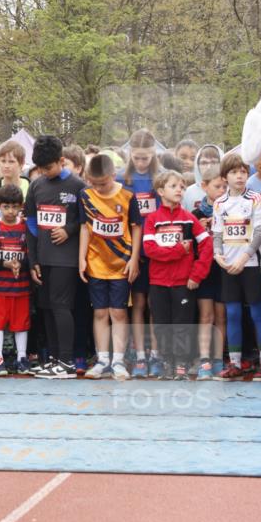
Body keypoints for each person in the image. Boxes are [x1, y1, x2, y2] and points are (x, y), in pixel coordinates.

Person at [25, 135, 85, 379]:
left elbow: (86, 221)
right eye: (40, 168)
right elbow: (30, 222)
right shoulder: (37, 186)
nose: (44, 172)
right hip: (44, 257)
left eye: (48, 167)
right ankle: (53, 359)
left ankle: (68, 361)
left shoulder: (78, 186)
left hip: (66, 259)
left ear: (61, 161)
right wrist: (33, 260)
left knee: (61, 307)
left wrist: (69, 229)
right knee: (46, 308)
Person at [142, 170, 213, 379]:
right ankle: (167, 361)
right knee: (162, 325)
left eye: (182, 187)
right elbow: (150, 250)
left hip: (184, 282)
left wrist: (196, 275)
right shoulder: (152, 219)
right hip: (158, 282)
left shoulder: (189, 219)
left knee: (182, 325)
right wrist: (179, 251)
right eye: (174, 186)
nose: (180, 190)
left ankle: (182, 363)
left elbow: (207, 244)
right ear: (161, 191)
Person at [78, 153, 142, 380]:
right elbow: (85, 227)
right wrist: (81, 258)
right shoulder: (85, 196)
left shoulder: (127, 196)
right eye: (94, 183)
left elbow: (136, 227)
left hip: (121, 263)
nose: (98, 188)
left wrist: (134, 258)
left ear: (113, 175)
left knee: (118, 312)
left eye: (103, 183)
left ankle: (119, 361)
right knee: (100, 311)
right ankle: (102, 358)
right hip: (96, 262)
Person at [212, 152, 261, 381]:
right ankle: (235, 363)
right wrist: (218, 254)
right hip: (228, 266)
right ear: (225, 177)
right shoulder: (220, 202)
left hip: (249, 264)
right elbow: (217, 233)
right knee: (233, 313)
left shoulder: (255, 198)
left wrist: (244, 257)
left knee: (258, 312)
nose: (239, 176)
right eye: (234, 172)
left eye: (243, 172)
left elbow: (260, 232)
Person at [120, 129, 161, 378]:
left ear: (153, 154)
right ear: (130, 154)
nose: (141, 162)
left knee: (154, 304)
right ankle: (139, 355)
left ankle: (155, 353)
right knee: (137, 304)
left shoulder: (160, 178)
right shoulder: (123, 179)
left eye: (145, 157)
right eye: (137, 157)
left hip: (156, 251)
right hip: (130, 250)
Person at [0, 184, 31, 375]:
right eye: (6, 207)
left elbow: (31, 254)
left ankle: (22, 357)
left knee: (22, 322)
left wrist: (21, 264)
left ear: (21, 206)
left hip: (21, 286)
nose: (11, 211)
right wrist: (5, 264)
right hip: (1, 286)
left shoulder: (25, 227)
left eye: (15, 207)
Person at [191, 167, 228, 379]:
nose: (222, 190)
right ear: (204, 186)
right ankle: (204, 359)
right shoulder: (195, 215)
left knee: (221, 315)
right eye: (217, 186)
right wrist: (201, 229)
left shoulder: (231, 209)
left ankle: (217, 358)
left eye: (224, 186)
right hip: (204, 271)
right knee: (206, 315)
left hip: (223, 269)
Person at [182, 143, 223, 212]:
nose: (209, 167)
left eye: (214, 162)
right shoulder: (188, 193)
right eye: (204, 163)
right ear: (197, 165)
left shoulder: (229, 190)